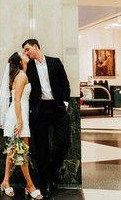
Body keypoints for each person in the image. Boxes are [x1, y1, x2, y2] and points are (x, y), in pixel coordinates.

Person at [22, 39, 71, 198]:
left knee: (65, 142)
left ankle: (53, 173)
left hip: (57, 107)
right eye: (25, 51)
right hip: (39, 110)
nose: (26, 53)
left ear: (35, 47)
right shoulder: (28, 67)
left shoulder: (55, 62)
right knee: (41, 148)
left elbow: (65, 84)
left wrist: (64, 103)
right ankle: (46, 183)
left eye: (28, 49)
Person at [0, 52, 43, 199]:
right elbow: (16, 100)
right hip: (18, 118)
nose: (25, 55)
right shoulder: (21, 76)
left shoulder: (21, 74)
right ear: (20, 62)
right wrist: (20, 122)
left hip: (18, 116)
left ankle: (5, 181)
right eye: (23, 55)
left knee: (13, 151)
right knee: (22, 153)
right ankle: (29, 185)